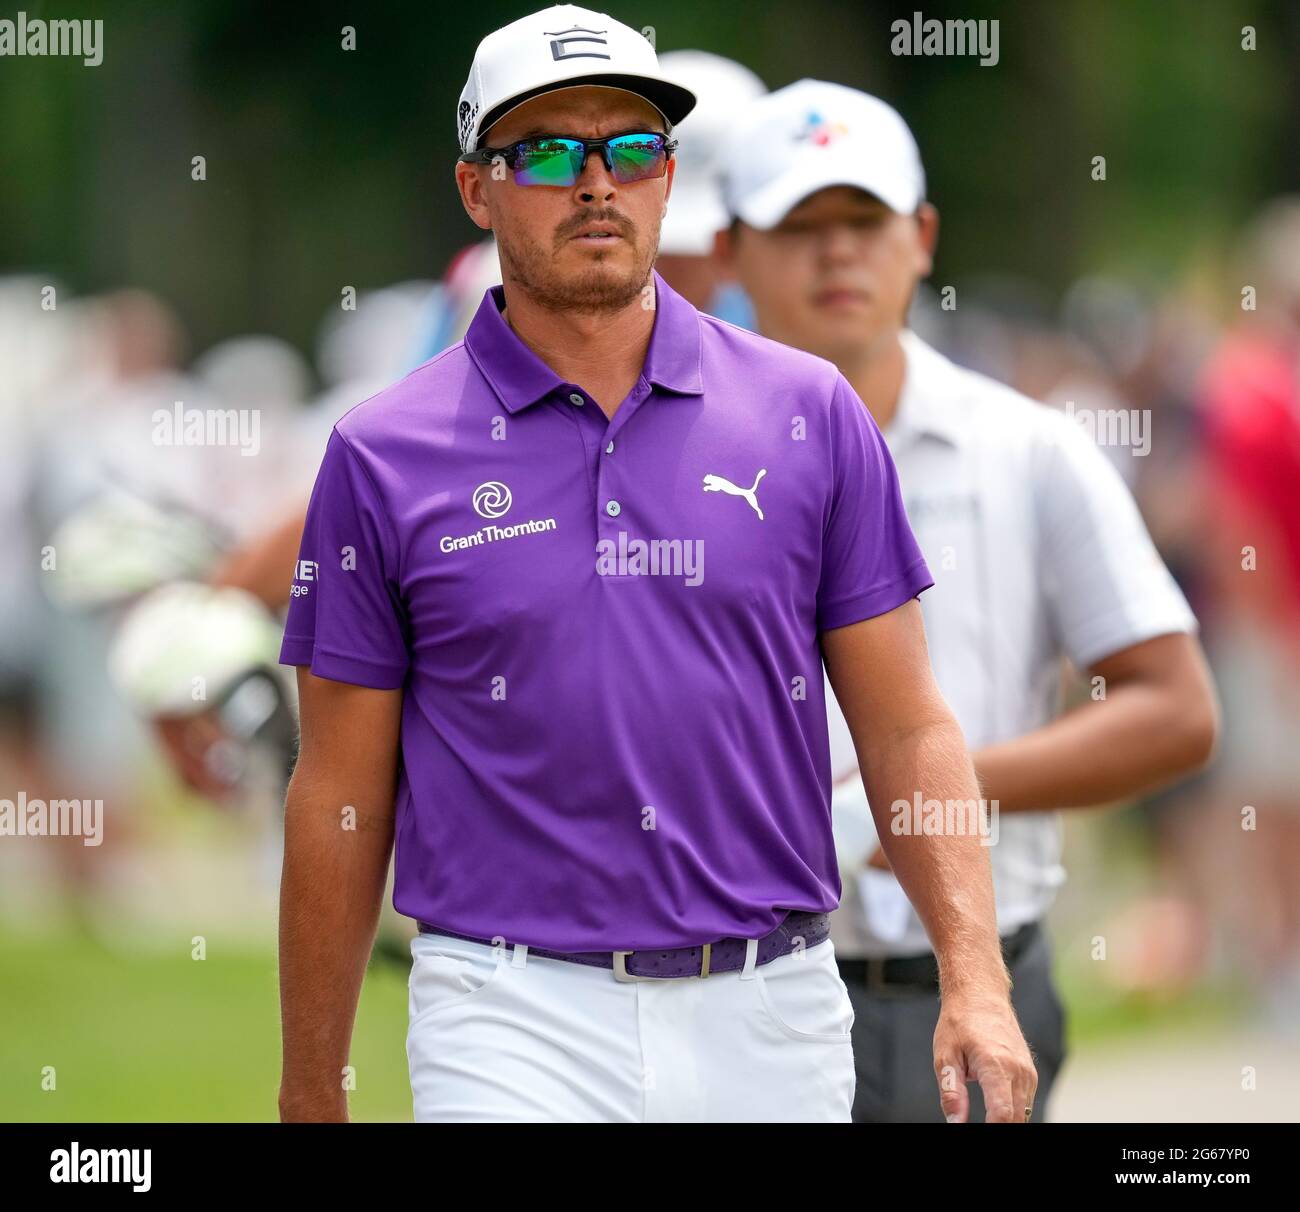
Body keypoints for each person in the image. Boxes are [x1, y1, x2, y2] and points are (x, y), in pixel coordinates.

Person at [276, 6, 1034, 1124]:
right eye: (543, 152)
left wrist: (975, 976)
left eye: (629, 150)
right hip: (506, 1013)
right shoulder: (382, 453)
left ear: (669, 179)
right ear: (476, 189)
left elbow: (907, 725)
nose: (595, 183)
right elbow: (339, 788)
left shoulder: (807, 412)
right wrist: (311, 1089)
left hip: (771, 1010)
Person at [715, 79, 1219, 1122]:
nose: (836, 253)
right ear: (729, 251)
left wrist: (921, 792)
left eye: (863, 220)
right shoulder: (677, 459)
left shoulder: (1028, 450)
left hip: (972, 988)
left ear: (922, 236)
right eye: (798, 226)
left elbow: (1174, 710)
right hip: (736, 995)